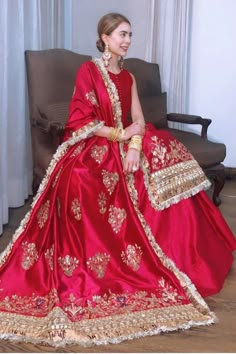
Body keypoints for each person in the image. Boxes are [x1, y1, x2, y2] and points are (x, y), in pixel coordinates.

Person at [0, 12, 235, 348]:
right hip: (97, 140)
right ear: (105, 38)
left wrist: (135, 145)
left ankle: (187, 253)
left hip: (128, 140)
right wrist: (119, 134)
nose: (126, 40)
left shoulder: (129, 78)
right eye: (121, 35)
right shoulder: (89, 71)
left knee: (162, 152)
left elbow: (139, 118)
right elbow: (84, 119)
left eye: (129, 35)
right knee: (82, 176)